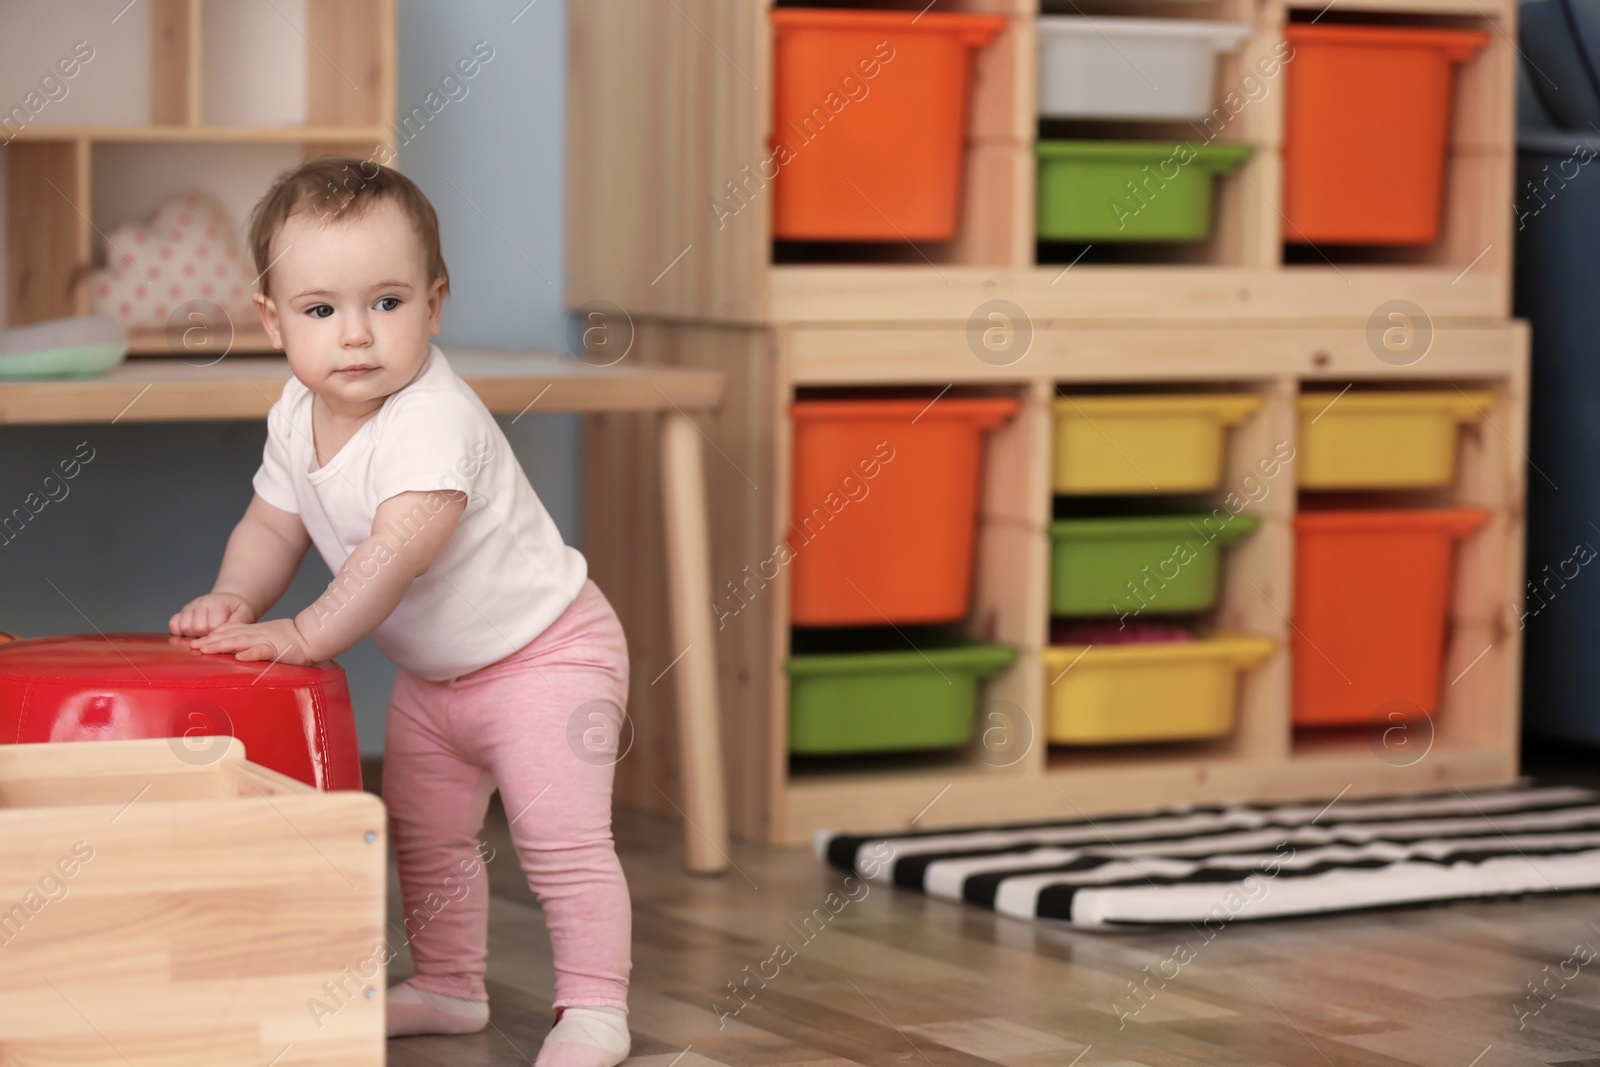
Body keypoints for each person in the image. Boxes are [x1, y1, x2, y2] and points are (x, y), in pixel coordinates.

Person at [168, 157, 633, 1067]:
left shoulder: (431, 417)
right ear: (273, 321)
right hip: (436, 675)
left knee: (561, 840)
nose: (356, 337)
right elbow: (274, 519)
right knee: (424, 834)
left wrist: (301, 633)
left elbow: (392, 553)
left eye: (386, 303)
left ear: (435, 302)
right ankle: (451, 987)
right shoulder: (296, 412)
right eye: (320, 310)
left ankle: (595, 1008)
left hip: (547, 653)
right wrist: (239, 593)